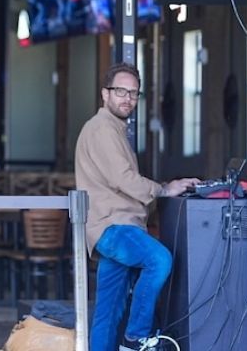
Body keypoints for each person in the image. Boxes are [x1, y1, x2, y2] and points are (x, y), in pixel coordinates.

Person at [74, 63, 200, 351]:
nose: (127, 99)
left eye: (133, 93)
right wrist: (164, 189)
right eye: (121, 91)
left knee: (108, 312)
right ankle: (136, 337)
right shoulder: (102, 129)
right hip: (113, 226)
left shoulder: (113, 128)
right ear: (105, 94)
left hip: (113, 226)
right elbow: (123, 179)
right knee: (159, 259)